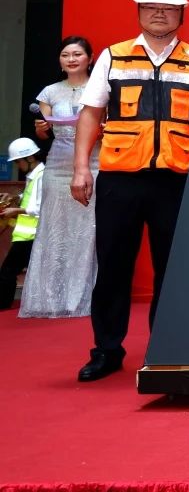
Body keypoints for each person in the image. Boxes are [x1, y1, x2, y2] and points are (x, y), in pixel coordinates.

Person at [71, 0, 189, 382]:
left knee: (173, 269)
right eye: (151, 7)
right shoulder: (113, 57)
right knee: (113, 266)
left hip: (178, 179)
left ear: (182, 13)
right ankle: (107, 349)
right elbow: (91, 113)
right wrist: (81, 168)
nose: (159, 14)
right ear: (138, 10)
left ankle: (164, 348)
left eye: (168, 8)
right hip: (121, 177)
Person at [21, 37, 99, 317]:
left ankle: (82, 297)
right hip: (58, 163)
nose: (71, 59)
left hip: (94, 160)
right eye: (66, 55)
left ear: (90, 58)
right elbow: (44, 134)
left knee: (88, 228)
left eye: (77, 54)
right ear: (60, 60)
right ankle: (50, 298)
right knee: (54, 225)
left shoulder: (100, 87)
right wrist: (41, 128)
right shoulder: (50, 92)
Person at [0, 139, 45, 310]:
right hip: (29, 235)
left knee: (8, 271)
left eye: (18, 161)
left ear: (30, 158)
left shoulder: (41, 177)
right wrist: (14, 198)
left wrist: (15, 211)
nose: (18, 166)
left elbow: (40, 208)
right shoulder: (35, 176)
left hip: (31, 235)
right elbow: (31, 198)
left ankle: (3, 304)